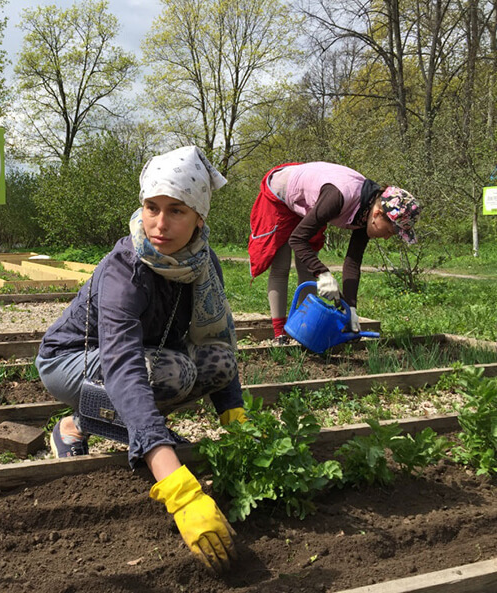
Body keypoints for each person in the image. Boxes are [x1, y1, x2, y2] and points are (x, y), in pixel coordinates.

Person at [36, 145, 242, 573]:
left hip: (146, 357)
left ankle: (137, 426)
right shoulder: (124, 268)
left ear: (199, 217)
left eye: (177, 210)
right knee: (168, 373)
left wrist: (237, 422)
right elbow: (125, 364)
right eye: (152, 207)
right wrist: (175, 484)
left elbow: (220, 340)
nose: (160, 224)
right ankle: (76, 422)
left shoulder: (204, 265)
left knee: (215, 363)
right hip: (72, 359)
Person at [248, 162, 421, 342]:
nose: (386, 238)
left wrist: (350, 309)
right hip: (281, 195)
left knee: (307, 267)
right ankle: (279, 334)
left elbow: (353, 262)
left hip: (312, 200)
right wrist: (323, 273)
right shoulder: (338, 197)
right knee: (281, 266)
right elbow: (297, 239)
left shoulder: (367, 212)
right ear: (378, 213)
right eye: (388, 231)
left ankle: (303, 329)